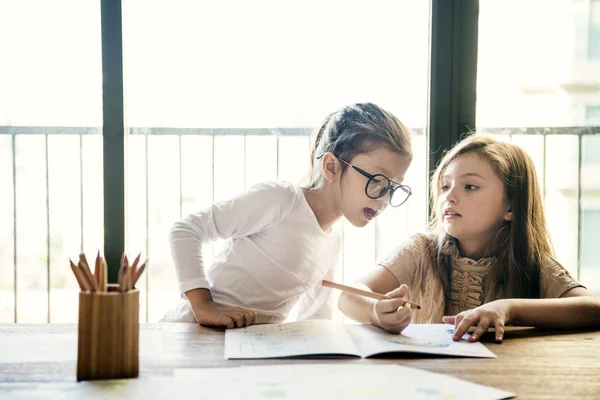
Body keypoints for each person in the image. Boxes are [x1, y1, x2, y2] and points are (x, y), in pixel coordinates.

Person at [161, 103, 414, 328]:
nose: (384, 198)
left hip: (245, 350)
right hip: (192, 331)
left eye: (394, 187)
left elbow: (316, 319)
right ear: (331, 167)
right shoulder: (281, 200)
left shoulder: (332, 243)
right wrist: (203, 305)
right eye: (378, 180)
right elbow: (186, 230)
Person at [338, 134, 600, 342]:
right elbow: (348, 296)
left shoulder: (530, 263)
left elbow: (592, 308)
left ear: (510, 207)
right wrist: (375, 311)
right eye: (445, 186)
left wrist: (508, 308)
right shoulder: (420, 249)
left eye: (470, 186)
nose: (449, 197)